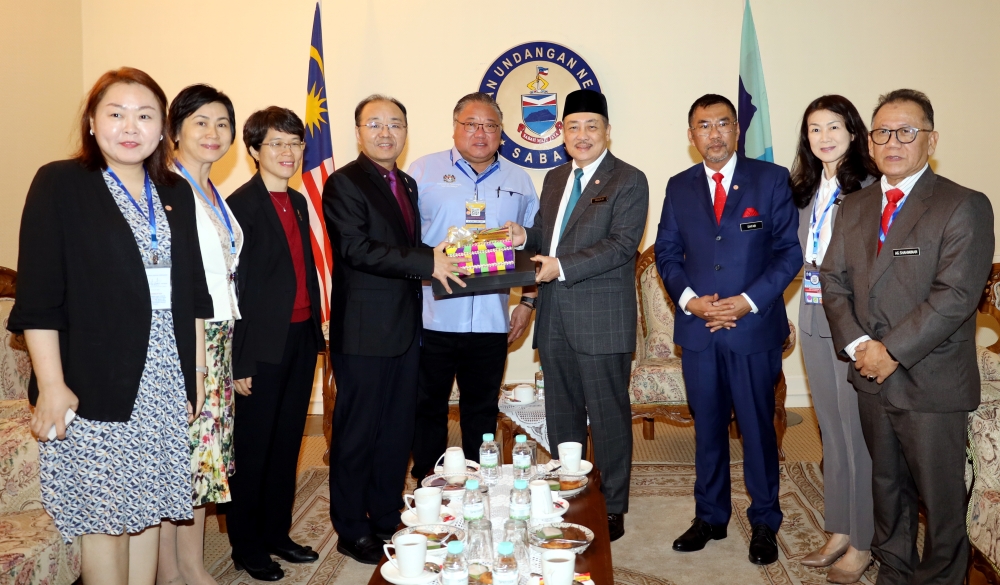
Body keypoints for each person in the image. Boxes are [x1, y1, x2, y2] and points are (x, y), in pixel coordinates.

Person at [8, 66, 213, 585]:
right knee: (103, 519)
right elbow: (39, 297)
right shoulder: (61, 183)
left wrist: (197, 376)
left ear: (162, 129)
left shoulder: (175, 191)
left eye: (145, 115)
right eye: (115, 113)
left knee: (146, 511)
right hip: (92, 379)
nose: (130, 126)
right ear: (93, 124)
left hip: (165, 377)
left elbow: (191, 294)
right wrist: (52, 384)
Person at [822, 89, 994, 584]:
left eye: (906, 131)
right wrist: (859, 347)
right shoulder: (853, 206)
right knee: (887, 489)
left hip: (930, 379)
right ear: (870, 142)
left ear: (930, 139)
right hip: (870, 376)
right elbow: (831, 281)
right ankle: (894, 573)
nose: (892, 141)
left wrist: (890, 350)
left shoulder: (964, 205)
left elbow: (955, 296)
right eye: (882, 132)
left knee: (941, 506)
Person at [655, 94, 801, 565]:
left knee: (758, 427)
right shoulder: (679, 186)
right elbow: (667, 254)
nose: (714, 134)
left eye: (723, 124)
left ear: (737, 130)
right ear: (691, 135)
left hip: (753, 328)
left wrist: (746, 301)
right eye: (703, 125)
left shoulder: (772, 179)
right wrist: (691, 302)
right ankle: (711, 516)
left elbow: (788, 254)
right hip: (699, 330)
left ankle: (764, 521)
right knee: (708, 427)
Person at [323, 94, 468, 564]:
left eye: (396, 124)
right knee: (357, 433)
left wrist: (444, 251)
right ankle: (351, 527)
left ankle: (386, 515)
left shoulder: (404, 182)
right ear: (359, 131)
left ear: (406, 132)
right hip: (364, 332)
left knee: (396, 431)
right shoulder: (344, 183)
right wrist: (428, 259)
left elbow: (405, 248)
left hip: (406, 327)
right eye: (375, 124)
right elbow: (357, 249)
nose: (387, 133)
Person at [507, 89, 648, 542]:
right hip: (555, 318)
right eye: (573, 127)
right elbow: (549, 236)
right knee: (561, 412)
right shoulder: (553, 178)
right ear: (561, 133)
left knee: (607, 416)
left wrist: (560, 268)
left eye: (591, 126)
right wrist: (521, 235)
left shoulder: (629, 179)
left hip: (601, 317)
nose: (581, 135)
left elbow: (622, 246)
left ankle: (614, 505)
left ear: (607, 131)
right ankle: (570, 491)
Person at [407, 92, 539, 479]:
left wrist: (527, 302)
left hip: (491, 319)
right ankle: (429, 481)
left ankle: (480, 482)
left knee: (481, 407)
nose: (480, 133)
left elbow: (533, 244)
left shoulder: (519, 180)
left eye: (490, 126)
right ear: (455, 128)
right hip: (433, 314)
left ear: (501, 133)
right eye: (471, 124)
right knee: (426, 404)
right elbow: (404, 241)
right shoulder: (422, 171)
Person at [222, 107, 325, 581]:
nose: (288, 152)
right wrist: (238, 359)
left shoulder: (300, 200)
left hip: (301, 338)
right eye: (277, 144)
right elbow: (233, 288)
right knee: (254, 447)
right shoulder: (239, 205)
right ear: (253, 151)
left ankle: (277, 533)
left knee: (288, 444)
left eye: (295, 143)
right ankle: (247, 545)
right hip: (260, 347)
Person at [788, 95, 880, 583]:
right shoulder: (804, 188)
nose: (823, 137)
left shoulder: (868, 187)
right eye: (814, 129)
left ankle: (863, 540)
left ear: (853, 131)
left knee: (856, 432)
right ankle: (839, 526)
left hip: (850, 320)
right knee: (830, 429)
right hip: (810, 312)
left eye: (833, 127)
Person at [156, 84, 242, 585]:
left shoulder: (211, 192)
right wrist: (195, 356)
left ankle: (186, 565)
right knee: (186, 455)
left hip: (218, 336)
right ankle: (177, 569)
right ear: (175, 131)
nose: (213, 133)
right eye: (201, 122)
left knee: (204, 458)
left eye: (222, 123)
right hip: (188, 339)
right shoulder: (168, 188)